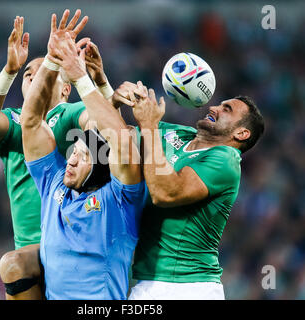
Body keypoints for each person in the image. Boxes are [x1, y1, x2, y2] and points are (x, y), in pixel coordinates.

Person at [0, 11, 114, 299]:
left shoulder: (70, 113)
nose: (34, 76)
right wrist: (10, 70)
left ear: (65, 89)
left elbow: (104, 129)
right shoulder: (15, 124)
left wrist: (97, 85)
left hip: (76, 244)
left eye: (44, 71)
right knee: (12, 264)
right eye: (28, 74)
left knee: (12, 264)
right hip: (33, 254)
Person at [21, 25, 146, 299]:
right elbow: (30, 122)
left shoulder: (120, 201)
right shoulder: (53, 184)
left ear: (103, 165)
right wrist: (52, 59)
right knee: (12, 266)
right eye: (73, 152)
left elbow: (121, 140)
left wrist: (80, 77)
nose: (72, 160)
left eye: (84, 156)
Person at [113, 81, 264, 299]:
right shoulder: (180, 135)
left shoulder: (225, 160)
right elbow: (116, 140)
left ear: (241, 133)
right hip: (151, 283)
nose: (214, 108)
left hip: (187, 287)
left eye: (226, 109)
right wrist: (105, 90)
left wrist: (149, 126)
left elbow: (166, 192)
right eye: (220, 105)